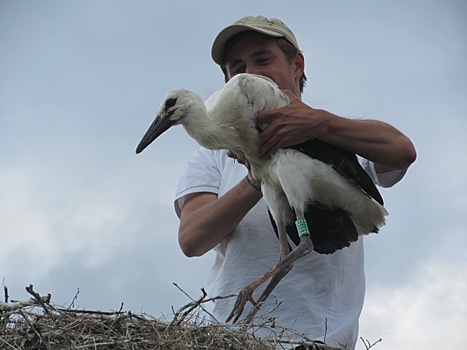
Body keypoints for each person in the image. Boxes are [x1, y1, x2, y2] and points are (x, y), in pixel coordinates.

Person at [173, 15, 416, 349]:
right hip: (225, 338)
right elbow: (191, 239)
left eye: (262, 59)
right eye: (237, 66)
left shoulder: (337, 134)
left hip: (319, 339)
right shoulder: (212, 157)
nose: (250, 73)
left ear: (297, 64)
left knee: (300, 242)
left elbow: (402, 151)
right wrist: (255, 173)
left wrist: (320, 125)